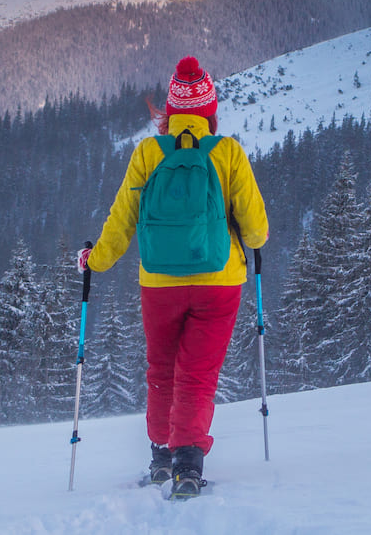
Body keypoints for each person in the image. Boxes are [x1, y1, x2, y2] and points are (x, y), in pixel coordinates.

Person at [78, 56, 269, 498]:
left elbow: (121, 220)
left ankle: (162, 459)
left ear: (170, 109)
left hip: (159, 282)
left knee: (162, 370)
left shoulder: (148, 153)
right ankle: (189, 465)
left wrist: (95, 260)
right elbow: (257, 230)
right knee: (197, 374)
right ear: (209, 110)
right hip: (219, 284)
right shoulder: (228, 153)